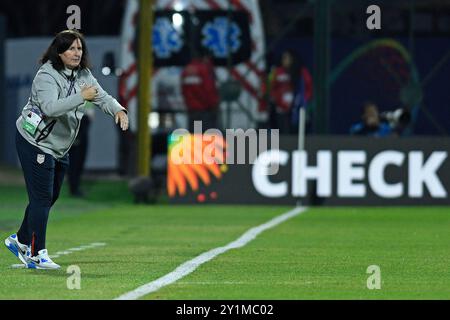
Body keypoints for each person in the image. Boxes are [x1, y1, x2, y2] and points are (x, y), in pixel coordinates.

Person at [4, 30, 129, 270]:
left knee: (50, 196)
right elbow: (50, 108)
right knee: (41, 198)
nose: (76, 53)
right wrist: (81, 97)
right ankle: (37, 253)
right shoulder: (46, 75)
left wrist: (118, 110)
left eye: (79, 48)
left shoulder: (83, 75)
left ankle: (19, 239)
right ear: (59, 52)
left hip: (58, 147)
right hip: (34, 142)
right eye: (71, 48)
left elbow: (101, 96)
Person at [268, 49, 313, 134]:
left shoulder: (301, 71)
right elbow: (270, 87)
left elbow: (308, 87)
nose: (284, 60)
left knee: (298, 130)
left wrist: (304, 99)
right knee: (282, 130)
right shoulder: (276, 72)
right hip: (280, 108)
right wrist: (275, 99)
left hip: (297, 107)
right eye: (283, 58)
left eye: (287, 58)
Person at [181, 51, 219, 133]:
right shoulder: (204, 69)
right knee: (207, 138)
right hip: (205, 111)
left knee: (194, 136)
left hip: (192, 110)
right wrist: (213, 104)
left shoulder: (187, 69)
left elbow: (184, 90)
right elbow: (208, 90)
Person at [67, 106, 94, 197]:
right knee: (75, 158)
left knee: (81, 157)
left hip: (84, 118)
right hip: (76, 118)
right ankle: (73, 187)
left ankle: (76, 186)